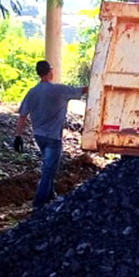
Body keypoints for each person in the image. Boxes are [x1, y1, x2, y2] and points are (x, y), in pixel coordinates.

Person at [14, 60, 87, 208]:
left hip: (39, 136)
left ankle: (50, 194)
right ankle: (39, 202)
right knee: (49, 169)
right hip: (53, 137)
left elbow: (22, 115)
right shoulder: (59, 90)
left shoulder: (32, 92)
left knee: (50, 166)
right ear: (49, 72)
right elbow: (82, 91)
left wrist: (17, 136)